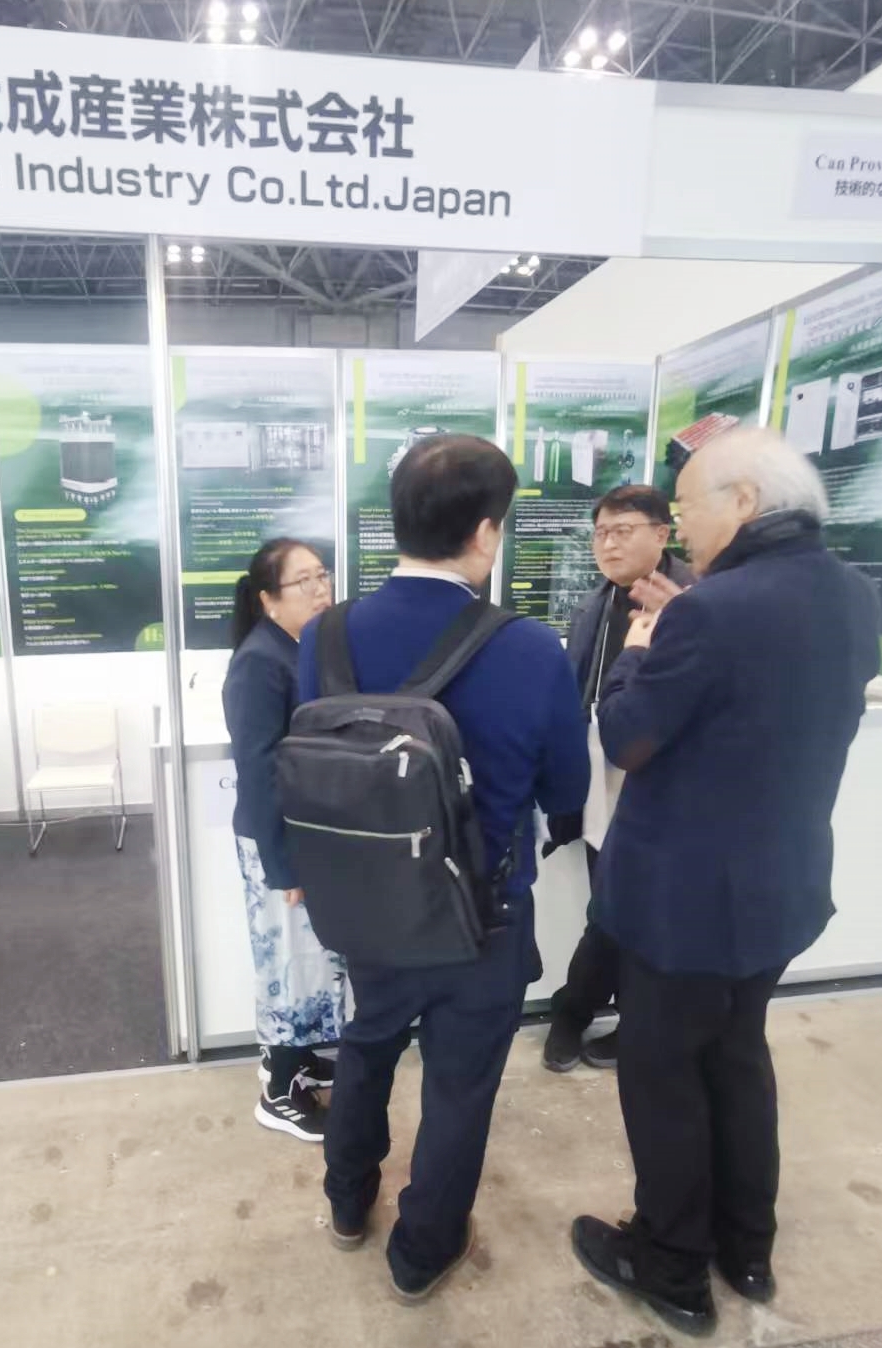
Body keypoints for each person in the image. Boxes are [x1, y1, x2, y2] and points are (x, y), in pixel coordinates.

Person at [571, 428, 881, 1337]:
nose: (679, 527)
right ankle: (746, 1247)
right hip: (780, 887)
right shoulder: (851, 592)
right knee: (738, 1056)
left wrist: (642, 646)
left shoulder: (706, 611)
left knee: (663, 1075)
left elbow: (625, 737)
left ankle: (670, 1265)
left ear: (743, 502)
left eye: (685, 508)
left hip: (685, 902)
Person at [298, 435, 589, 1303]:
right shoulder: (528, 648)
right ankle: (422, 1252)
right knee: (460, 1086)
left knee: (366, 1044)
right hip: (481, 916)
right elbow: (566, 788)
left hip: (367, 902)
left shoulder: (326, 633)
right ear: (487, 530)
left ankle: (347, 1202)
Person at [543, 485, 693, 1074]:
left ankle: (584, 1014)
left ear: (662, 533)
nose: (608, 544)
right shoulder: (594, 605)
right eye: (601, 533)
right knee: (610, 906)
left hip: (667, 785)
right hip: (600, 778)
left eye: (623, 530)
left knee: (644, 914)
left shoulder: (695, 603)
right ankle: (589, 1013)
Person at [222, 539, 348, 1142]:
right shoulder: (259, 662)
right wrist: (282, 865)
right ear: (268, 599)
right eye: (304, 581)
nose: (321, 589)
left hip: (303, 835)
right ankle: (277, 1092)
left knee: (309, 962)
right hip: (279, 843)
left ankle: (298, 1062)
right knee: (284, 965)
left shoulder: (301, 648)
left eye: (322, 575)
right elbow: (258, 769)